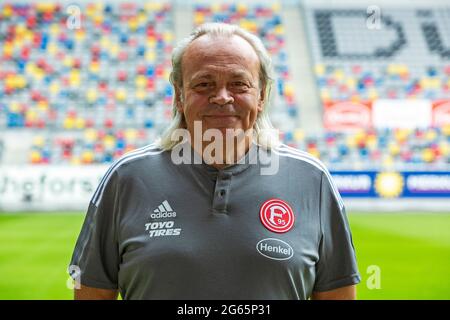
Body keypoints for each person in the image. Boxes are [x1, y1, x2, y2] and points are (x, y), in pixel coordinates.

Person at [69, 22, 361, 300]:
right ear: (179, 96)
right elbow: (92, 290)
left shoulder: (312, 179)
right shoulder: (126, 178)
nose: (222, 97)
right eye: (204, 84)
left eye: (238, 84)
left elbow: (337, 292)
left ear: (262, 96)